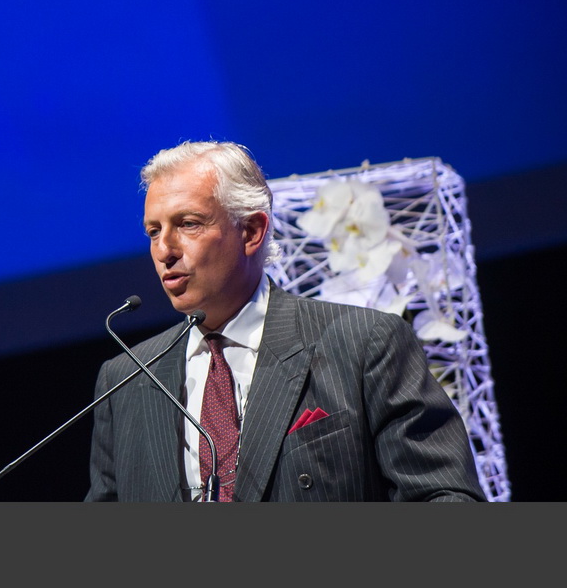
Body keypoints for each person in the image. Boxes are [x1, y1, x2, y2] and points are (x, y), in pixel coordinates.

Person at [85, 140, 485, 502]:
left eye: (188, 224)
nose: (165, 250)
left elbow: (443, 495)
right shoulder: (126, 380)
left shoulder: (365, 343)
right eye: (154, 231)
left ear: (251, 231)